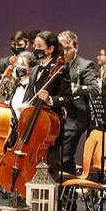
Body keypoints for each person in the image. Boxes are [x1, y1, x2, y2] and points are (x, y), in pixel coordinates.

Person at [40, 30, 100, 173]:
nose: (64, 52)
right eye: (62, 48)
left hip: (74, 117)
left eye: (68, 48)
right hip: (55, 117)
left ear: (76, 47)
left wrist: (74, 89)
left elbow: (94, 89)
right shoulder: (55, 64)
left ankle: (61, 191)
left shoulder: (85, 65)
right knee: (56, 159)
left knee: (63, 158)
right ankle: (66, 192)